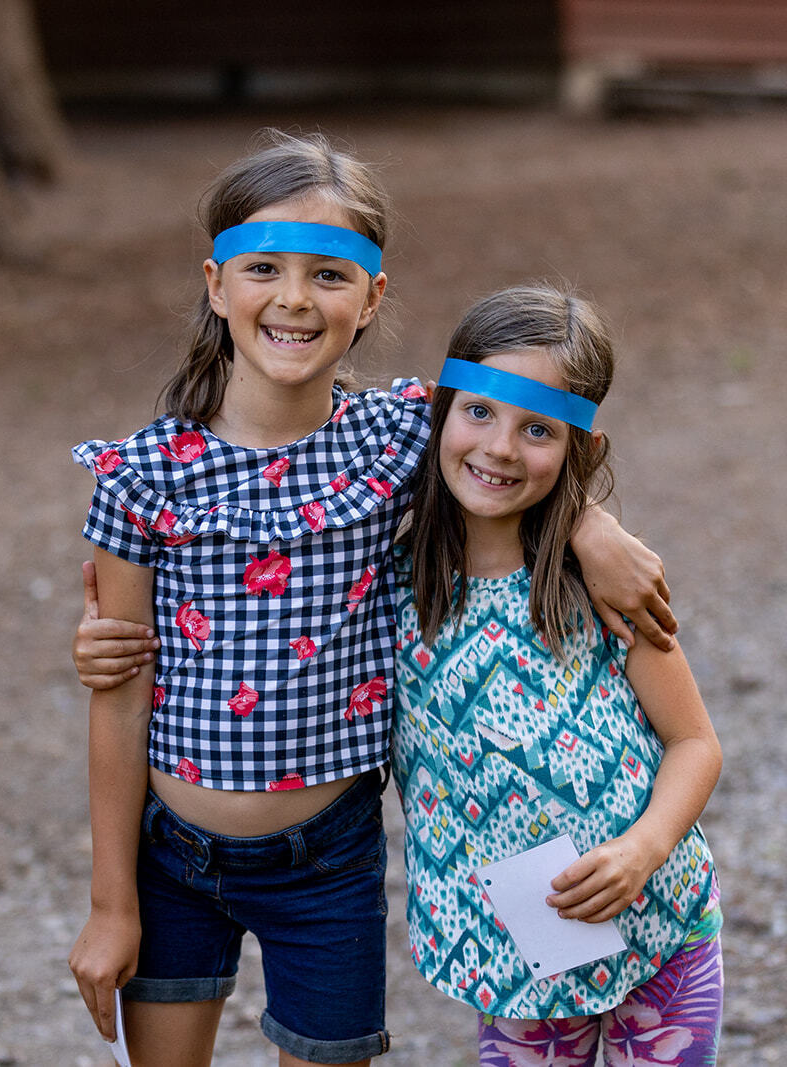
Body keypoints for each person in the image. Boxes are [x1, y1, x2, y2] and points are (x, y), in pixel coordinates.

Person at [66, 130, 676, 1067]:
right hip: (172, 862)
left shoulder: (397, 434)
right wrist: (113, 903)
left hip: (331, 862)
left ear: (373, 297)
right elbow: (120, 688)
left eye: (331, 274)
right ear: (216, 283)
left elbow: (509, 433)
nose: (296, 298)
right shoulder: (142, 476)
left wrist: (590, 525)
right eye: (263, 267)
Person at [392, 285, 723, 1065]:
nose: (501, 447)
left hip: (659, 929)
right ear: (439, 411)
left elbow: (695, 742)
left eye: (537, 428)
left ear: (584, 450)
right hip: (510, 952)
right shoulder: (389, 577)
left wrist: (644, 847)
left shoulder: (602, 587)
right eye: (479, 412)